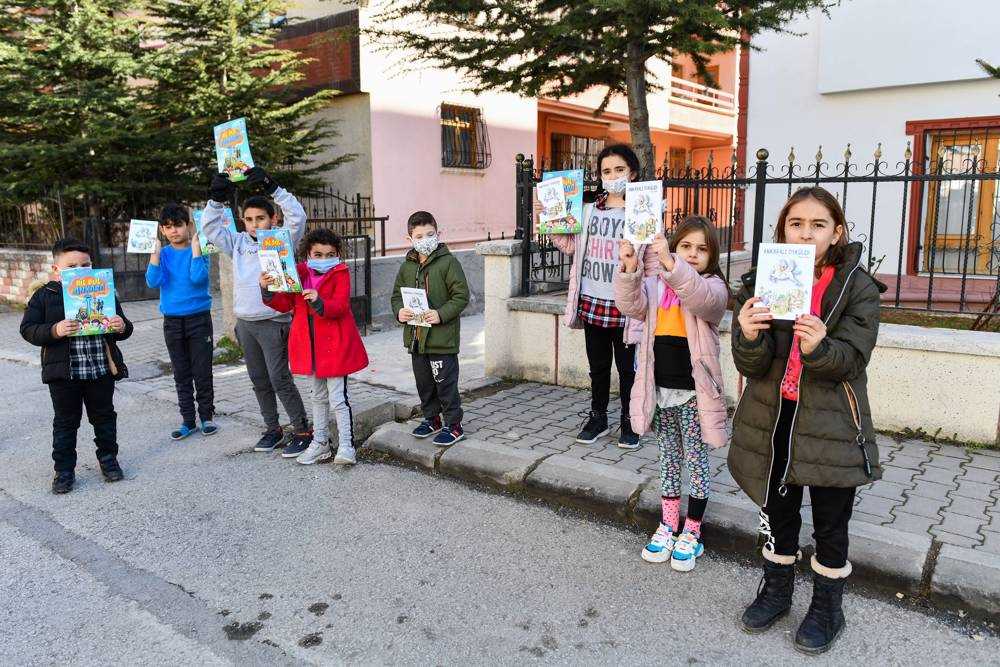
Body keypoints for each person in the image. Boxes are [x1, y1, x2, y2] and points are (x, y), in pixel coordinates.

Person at [730, 186, 884, 654]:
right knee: (778, 513)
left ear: (836, 232)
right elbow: (751, 365)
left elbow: (853, 359)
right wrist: (749, 335)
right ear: (783, 230)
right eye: (796, 223)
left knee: (831, 522)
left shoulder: (857, 286)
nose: (806, 233)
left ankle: (826, 607)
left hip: (829, 425)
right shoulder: (764, 280)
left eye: (818, 225)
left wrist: (820, 346)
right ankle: (777, 590)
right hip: (775, 418)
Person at [615, 217, 729, 572]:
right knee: (667, 459)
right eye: (686, 247)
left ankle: (693, 529)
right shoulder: (655, 285)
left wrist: (670, 263)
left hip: (694, 393)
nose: (693, 255)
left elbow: (700, 299)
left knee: (694, 461)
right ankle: (668, 524)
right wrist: (631, 268)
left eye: (702, 249)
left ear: (712, 257)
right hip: (660, 390)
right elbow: (630, 306)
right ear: (675, 246)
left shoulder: (713, 287)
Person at [202, 167, 312, 455]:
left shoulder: (280, 240)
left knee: (279, 378)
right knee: (259, 380)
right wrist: (216, 200)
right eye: (249, 219)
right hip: (246, 323)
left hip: (274, 322)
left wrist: (275, 189)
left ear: (272, 219)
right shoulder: (237, 243)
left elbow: (298, 216)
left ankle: (302, 429)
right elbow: (211, 229)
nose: (254, 224)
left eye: (260, 218)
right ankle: (272, 428)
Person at [547, 144, 647, 449]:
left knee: (628, 368)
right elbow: (571, 246)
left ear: (632, 173)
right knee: (599, 366)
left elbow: (652, 260)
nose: (613, 176)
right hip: (592, 300)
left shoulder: (643, 213)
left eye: (619, 170)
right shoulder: (587, 210)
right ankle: (598, 416)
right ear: (599, 176)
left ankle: (630, 421)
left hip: (625, 305)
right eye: (606, 171)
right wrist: (550, 220)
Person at [20, 238, 134, 494]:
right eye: (72, 266)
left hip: (100, 370)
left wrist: (121, 326)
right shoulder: (45, 296)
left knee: (104, 418)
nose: (81, 270)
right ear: (57, 270)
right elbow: (27, 329)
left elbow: (125, 328)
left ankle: (108, 460)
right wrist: (55, 330)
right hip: (64, 374)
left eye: (86, 264)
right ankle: (64, 471)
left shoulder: (103, 291)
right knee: (65, 422)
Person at [260, 228, 369, 465]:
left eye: (329, 254)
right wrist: (267, 289)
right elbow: (284, 303)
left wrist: (319, 301)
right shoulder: (298, 273)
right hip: (310, 347)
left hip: (334, 347)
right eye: (317, 254)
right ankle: (320, 443)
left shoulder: (340, 272)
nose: (323, 259)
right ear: (307, 254)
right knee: (317, 396)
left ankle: (346, 446)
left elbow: (339, 306)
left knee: (338, 398)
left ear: (338, 254)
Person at [391, 211, 470, 447]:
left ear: (438, 234)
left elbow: (461, 296)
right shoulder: (407, 266)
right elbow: (397, 296)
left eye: (430, 234)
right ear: (410, 240)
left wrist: (440, 314)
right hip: (417, 338)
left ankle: (454, 424)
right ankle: (432, 419)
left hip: (441, 340)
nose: (425, 239)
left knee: (445, 383)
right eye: (419, 235)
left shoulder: (448, 263)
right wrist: (399, 312)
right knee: (424, 383)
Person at [145, 203, 218, 440]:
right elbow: (153, 282)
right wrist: (155, 255)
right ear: (162, 230)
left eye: (178, 225)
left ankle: (206, 417)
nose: (174, 231)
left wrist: (196, 250)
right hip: (173, 321)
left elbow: (198, 279)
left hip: (199, 319)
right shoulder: (163, 254)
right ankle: (188, 420)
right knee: (181, 373)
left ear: (188, 225)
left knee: (202, 370)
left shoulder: (201, 250)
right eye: (168, 227)